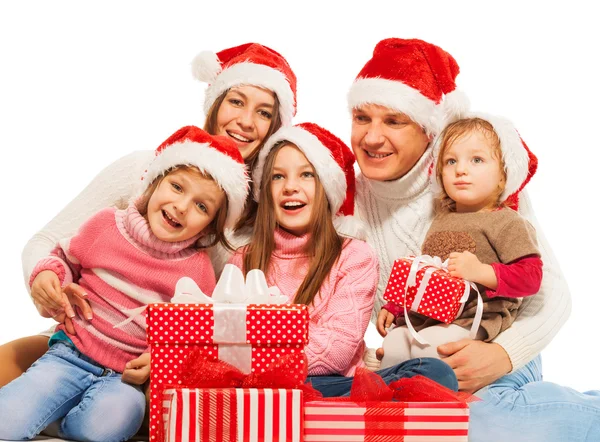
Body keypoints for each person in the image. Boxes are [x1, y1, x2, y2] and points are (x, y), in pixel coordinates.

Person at [0, 42, 297, 390]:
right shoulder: (143, 169)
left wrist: (171, 357)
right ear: (216, 103)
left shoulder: (260, 222)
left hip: (161, 370)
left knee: (117, 415)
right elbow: (47, 243)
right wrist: (43, 283)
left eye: (264, 113)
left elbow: (232, 327)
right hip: (78, 341)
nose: (245, 121)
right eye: (236, 101)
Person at [350, 37, 600, 441]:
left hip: (498, 341)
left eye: (394, 121)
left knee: (483, 423)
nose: (373, 137)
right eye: (362, 118)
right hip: (417, 352)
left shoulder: (475, 184)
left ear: (429, 129)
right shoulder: (340, 192)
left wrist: (501, 355)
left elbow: (550, 292)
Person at [0, 126, 250, 441]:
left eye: (202, 206)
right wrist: (50, 277)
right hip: (71, 354)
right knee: (6, 421)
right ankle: (41, 406)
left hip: (125, 379)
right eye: (176, 187)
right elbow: (62, 257)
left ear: (210, 225)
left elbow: (190, 336)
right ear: (153, 183)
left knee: (111, 424)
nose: (182, 206)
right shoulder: (106, 226)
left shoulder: (197, 270)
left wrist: (161, 360)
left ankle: (57, 424)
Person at [227, 122, 458, 396]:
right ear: (265, 191)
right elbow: (226, 343)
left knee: (434, 372)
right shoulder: (242, 260)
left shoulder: (354, 256)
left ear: (327, 187)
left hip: (329, 384)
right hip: (257, 388)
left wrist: (263, 339)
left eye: (306, 175)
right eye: (278, 177)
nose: (290, 186)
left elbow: (336, 351)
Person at [378, 115, 543, 368]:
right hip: (429, 315)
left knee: (434, 347)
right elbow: (428, 274)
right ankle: (398, 399)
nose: (461, 169)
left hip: (474, 319)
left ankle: (433, 399)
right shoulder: (441, 219)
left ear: (503, 175)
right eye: (451, 161)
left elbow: (531, 277)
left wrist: (482, 272)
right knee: (395, 345)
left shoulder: (507, 222)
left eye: (477, 160)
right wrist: (397, 307)